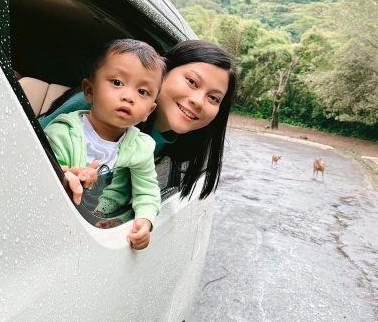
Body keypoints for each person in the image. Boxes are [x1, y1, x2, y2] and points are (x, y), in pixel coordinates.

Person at [40, 39, 237, 219]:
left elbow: (144, 190)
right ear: (163, 74)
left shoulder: (173, 145)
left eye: (214, 98)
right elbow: (31, 141)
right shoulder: (94, 108)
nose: (198, 101)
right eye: (191, 82)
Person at [44, 39, 166, 250]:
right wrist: (69, 174)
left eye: (143, 92)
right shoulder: (62, 133)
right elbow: (45, 177)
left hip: (107, 231)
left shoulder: (140, 147)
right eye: (117, 83)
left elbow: (146, 189)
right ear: (89, 91)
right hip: (64, 226)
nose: (129, 97)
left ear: (149, 111)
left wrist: (145, 220)